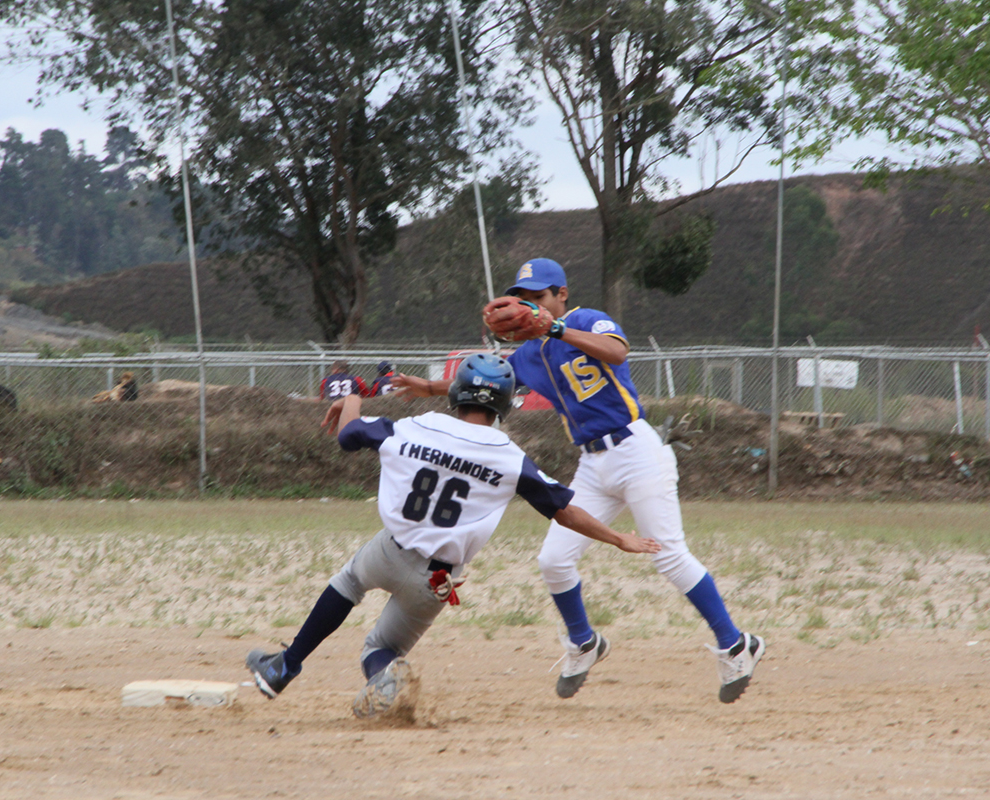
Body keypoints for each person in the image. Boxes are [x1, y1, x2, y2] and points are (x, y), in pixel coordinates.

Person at [393, 258, 765, 703]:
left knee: (667, 554)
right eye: (525, 299)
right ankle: (584, 642)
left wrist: (554, 327)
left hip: (636, 450)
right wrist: (428, 388)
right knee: (553, 560)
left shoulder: (584, 320)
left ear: (562, 295)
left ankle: (736, 644)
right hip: (592, 463)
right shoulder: (528, 356)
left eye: (540, 297)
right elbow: (491, 384)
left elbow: (617, 352)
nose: (532, 306)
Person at [246, 353, 659, 718]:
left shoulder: (417, 427)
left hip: (391, 550)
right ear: (503, 404)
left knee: (351, 582)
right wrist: (618, 538)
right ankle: (381, 677)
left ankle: (286, 665)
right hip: (438, 580)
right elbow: (564, 511)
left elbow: (350, 436)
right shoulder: (508, 457)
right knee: (381, 648)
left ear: (456, 392)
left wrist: (353, 399)